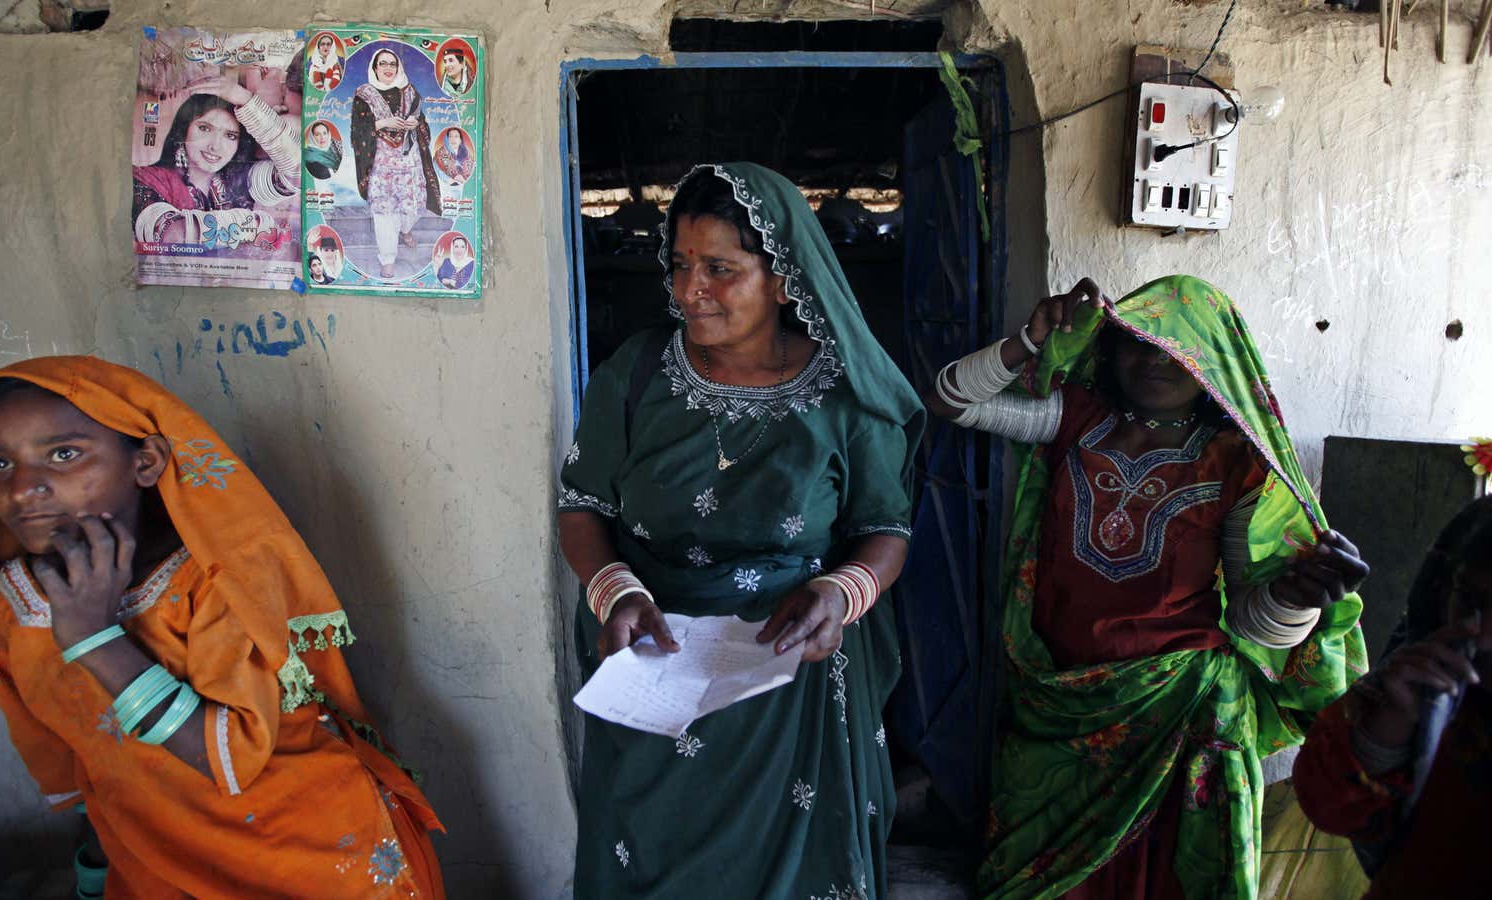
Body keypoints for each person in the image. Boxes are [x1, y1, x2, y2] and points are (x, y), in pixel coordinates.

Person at [925, 276, 1369, 899]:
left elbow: (1248, 621)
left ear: (1210, 361)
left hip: (1182, 708)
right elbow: (950, 400)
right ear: (1110, 350)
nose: (1152, 361)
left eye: (1172, 349)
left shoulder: (1234, 462)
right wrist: (1030, 338)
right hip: (1056, 697)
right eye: (1135, 343)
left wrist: (1297, 597)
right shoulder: (1075, 418)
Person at [0, 357, 446, 898]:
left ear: (146, 461)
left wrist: (93, 640)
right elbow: (78, 761)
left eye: (63, 455)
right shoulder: (11, 607)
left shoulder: (215, 586)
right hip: (155, 858)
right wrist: (101, 860)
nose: (23, 490)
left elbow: (232, 755)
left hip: (306, 855)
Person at [558, 163, 924, 898]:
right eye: (681, 264)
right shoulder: (635, 374)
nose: (689, 289)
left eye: (720, 269)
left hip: (792, 677)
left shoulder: (844, 395)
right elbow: (583, 504)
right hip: (654, 667)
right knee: (648, 863)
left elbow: (885, 528)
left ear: (784, 277)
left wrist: (838, 594)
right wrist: (615, 591)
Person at [1292, 496, 1492, 898]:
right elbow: (1327, 801)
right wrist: (1384, 735)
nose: (1483, 636)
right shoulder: (1430, 677)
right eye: (1470, 601)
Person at [132, 77, 298, 245]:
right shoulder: (147, 179)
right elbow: (172, 235)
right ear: (184, 129)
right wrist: (257, 224)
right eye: (204, 128)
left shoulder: (241, 178)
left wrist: (246, 101)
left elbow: (297, 173)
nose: (215, 147)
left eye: (230, 136)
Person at [351, 46, 441, 280]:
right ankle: (388, 258)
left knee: (414, 204)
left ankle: (405, 228)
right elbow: (357, 131)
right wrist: (381, 124)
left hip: (409, 160)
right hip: (380, 161)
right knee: (384, 211)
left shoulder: (411, 92)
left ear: (398, 67)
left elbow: (422, 124)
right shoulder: (364, 94)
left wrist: (415, 124)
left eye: (392, 64)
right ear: (375, 67)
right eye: (383, 64)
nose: (388, 68)